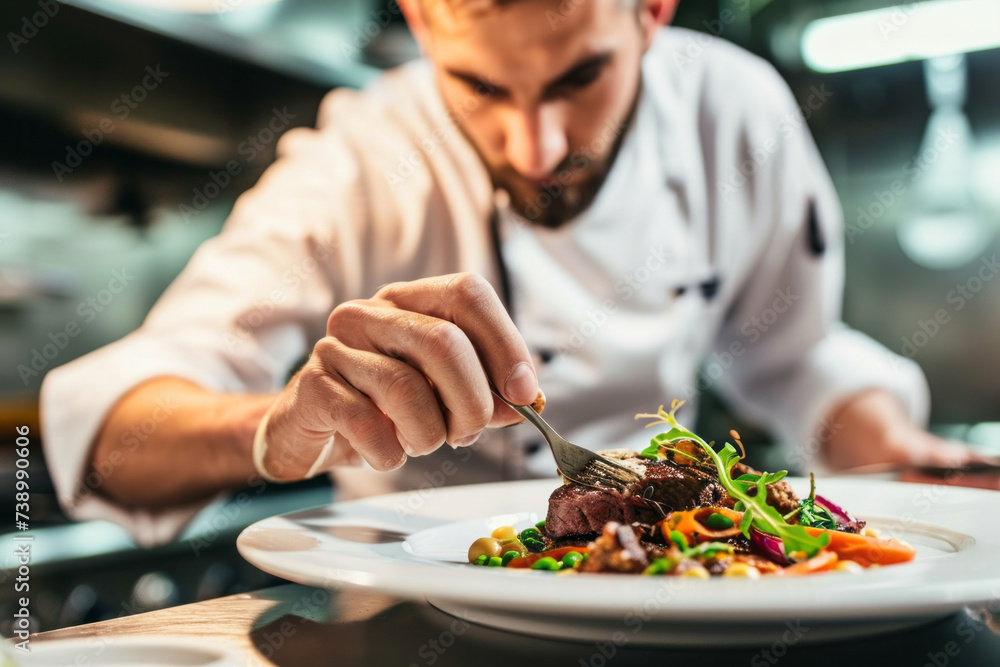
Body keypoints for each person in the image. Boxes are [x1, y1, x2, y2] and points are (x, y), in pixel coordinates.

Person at [41, 0, 982, 546]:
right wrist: (279, 427)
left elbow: (797, 355)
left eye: (578, 80)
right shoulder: (364, 155)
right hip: (405, 612)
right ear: (420, 17)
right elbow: (112, 424)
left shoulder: (735, 114)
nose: (535, 149)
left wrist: (903, 454)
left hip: (672, 590)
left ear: (652, 11)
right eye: (481, 89)